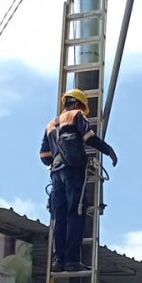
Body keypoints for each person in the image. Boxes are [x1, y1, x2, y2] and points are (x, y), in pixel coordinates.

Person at [40, 88, 117, 271]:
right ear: (76, 104)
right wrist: (109, 151)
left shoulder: (51, 124)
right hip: (73, 170)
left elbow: (44, 156)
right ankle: (72, 260)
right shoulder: (76, 115)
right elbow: (89, 138)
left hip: (56, 173)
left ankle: (59, 260)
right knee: (76, 212)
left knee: (60, 216)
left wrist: (57, 160)